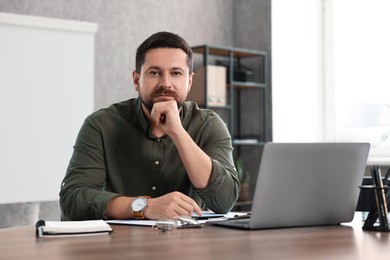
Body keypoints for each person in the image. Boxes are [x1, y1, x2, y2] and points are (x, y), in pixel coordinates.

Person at [59, 31, 240, 221]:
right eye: (154, 73)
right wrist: (143, 207)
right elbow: (73, 200)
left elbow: (224, 200)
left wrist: (178, 133)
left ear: (189, 82)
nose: (166, 83)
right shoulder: (100, 125)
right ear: (137, 80)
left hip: (187, 244)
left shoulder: (209, 125)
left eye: (176, 73)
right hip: (115, 245)